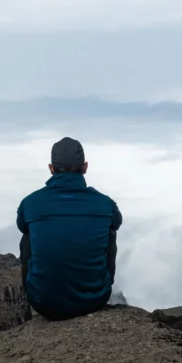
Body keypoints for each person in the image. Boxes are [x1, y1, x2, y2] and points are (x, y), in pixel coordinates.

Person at [16, 137, 122, 320]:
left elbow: (21, 225)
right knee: (109, 231)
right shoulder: (105, 204)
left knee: (29, 233)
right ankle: (97, 282)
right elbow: (117, 223)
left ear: (51, 169)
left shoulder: (30, 203)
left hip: (43, 303)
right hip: (95, 299)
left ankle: (40, 285)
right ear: (85, 167)